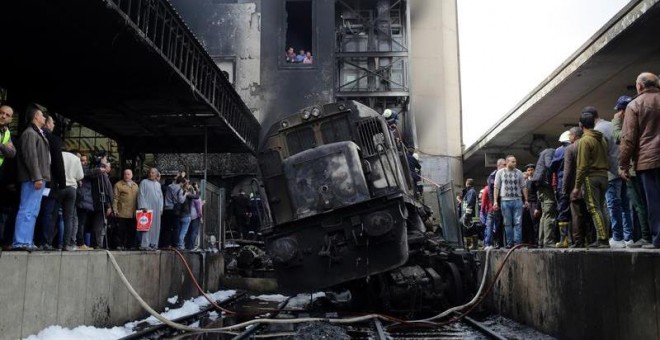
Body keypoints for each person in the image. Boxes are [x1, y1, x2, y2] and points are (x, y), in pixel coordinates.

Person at [619, 72, 660, 249]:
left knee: (654, 202)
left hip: (648, 160)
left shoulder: (635, 104)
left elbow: (628, 138)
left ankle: (658, 239)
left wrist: (623, 164)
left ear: (640, 86)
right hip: (649, 158)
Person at [590, 105, 632, 248]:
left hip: (611, 173)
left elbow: (603, 155)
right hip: (623, 170)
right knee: (626, 206)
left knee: (613, 205)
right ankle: (629, 237)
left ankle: (618, 237)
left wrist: (615, 170)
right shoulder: (610, 124)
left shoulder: (597, 131)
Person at [613, 95, 650, 247]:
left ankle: (647, 237)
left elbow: (622, 139)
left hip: (637, 167)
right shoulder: (646, 116)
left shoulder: (629, 117)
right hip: (650, 164)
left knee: (639, 205)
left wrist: (616, 123)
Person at [13, 105, 50, 251]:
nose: (44, 118)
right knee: (27, 209)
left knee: (33, 211)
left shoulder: (36, 133)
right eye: (42, 115)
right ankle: (21, 241)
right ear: (35, 117)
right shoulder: (30, 133)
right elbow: (31, 157)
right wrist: (37, 177)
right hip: (32, 178)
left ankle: (26, 240)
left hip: (37, 177)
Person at [572, 109, 609, 248]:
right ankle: (605, 236)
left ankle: (603, 239)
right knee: (602, 207)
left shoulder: (584, 141)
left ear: (581, 125)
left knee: (594, 208)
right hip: (604, 176)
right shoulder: (602, 139)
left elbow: (582, 166)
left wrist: (576, 186)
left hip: (591, 177)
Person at [38, 114, 66, 249]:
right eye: (52, 122)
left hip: (35, 180)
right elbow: (58, 164)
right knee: (49, 212)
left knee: (35, 210)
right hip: (50, 182)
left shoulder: (35, 136)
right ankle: (45, 241)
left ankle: (34, 239)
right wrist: (62, 182)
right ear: (47, 124)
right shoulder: (53, 140)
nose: (53, 125)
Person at [493, 155, 529, 247]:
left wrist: (526, 200)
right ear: (507, 162)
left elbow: (523, 187)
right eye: (513, 161)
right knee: (507, 223)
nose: (515, 163)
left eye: (515, 161)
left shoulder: (519, 173)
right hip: (505, 201)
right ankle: (510, 243)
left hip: (518, 200)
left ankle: (517, 243)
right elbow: (496, 187)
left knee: (518, 223)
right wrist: (495, 201)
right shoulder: (500, 173)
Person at [562, 127, 589, 247]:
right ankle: (592, 239)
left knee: (576, 215)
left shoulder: (570, 148)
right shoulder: (588, 144)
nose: (569, 137)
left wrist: (564, 188)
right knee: (589, 213)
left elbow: (567, 171)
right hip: (589, 184)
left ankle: (578, 241)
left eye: (570, 135)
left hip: (575, 187)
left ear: (574, 136)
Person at [530, 147, 557, 247]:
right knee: (549, 213)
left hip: (540, 185)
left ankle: (542, 241)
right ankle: (548, 241)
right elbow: (549, 165)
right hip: (545, 185)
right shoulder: (550, 151)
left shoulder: (544, 153)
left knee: (545, 214)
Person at [60, 149, 83, 251]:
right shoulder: (76, 159)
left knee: (54, 215)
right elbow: (80, 176)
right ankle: (66, 244)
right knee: (68, 218)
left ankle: (48, 242)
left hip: (59, 186)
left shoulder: (58, 155)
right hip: (72, 189)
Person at [137, 168, 164, 250]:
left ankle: (154, 243)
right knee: (146, 226)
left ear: (156, 174)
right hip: (147, 207)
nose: (151, 174)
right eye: (149, 172)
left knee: (156, 226)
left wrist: (161, 208)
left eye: (153, 173)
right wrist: (142, 206)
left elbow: (161, 197)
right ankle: (145, 244)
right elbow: (141, 194)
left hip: (156, 208)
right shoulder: (144, 182)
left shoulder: (158, 184)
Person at [112, 169, 139, 250]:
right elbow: (115, 198)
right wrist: (115, 209)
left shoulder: (135, 185)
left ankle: (130, 245)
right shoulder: (118, 185)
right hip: (122, 212)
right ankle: (119, 245)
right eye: (125, 174)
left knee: (131, 230)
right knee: (120, 231)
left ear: (132, 175)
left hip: (133, 213)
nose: (127, 176)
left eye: (128, 174)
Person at [485, 158, 506, 248]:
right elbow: (490, 192)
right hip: (498, 202)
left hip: (506, 201)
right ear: (499, 165)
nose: (506, 166)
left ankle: (506, 242)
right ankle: (498, 242)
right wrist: (495, 202)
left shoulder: (507, 174)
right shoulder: (493, 176)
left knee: (507, 223)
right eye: (504, 165)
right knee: (498, 223)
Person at [185, 182, 203, 250]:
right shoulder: (196, 197)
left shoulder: (189, 195)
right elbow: (198, 208)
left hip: (189, 215)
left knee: (189, 231)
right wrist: (201, 217)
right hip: (195, 216)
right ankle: (191, 247)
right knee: (194, 232)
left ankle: (187, 245)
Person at [0, 105, 16, 171]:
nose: (3, 116)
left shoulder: (7, 132)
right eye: (1, 113)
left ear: (10, 120)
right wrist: (4, 146)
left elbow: (12, 153)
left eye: (7, 115)